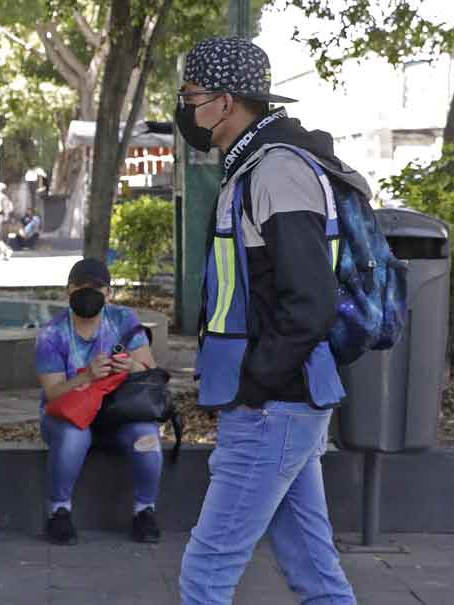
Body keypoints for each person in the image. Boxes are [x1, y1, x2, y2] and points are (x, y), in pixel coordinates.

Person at [175, 38, 359, 604]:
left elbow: (309, 300)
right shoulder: (259, 163)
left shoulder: (277, 169)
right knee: (314, 574)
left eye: (189, 96)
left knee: (205, 572)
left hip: (271, 406)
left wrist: (255, 384)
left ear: (226, 102)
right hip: (283, 402)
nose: (183, 109)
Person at [36, 258, 162, 546]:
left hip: (120, 411)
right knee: (73, 437)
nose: (89, 293)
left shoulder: (123, 320)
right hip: (68, 414)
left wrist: (129, 365)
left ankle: (145, 511)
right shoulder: (51, 335)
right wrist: (87, 376)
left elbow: (150, 370)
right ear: (68, 291)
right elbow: (53, 392)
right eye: (82, 287)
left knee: (147, 437)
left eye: (97, 288)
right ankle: (59, 511)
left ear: (108, 293)